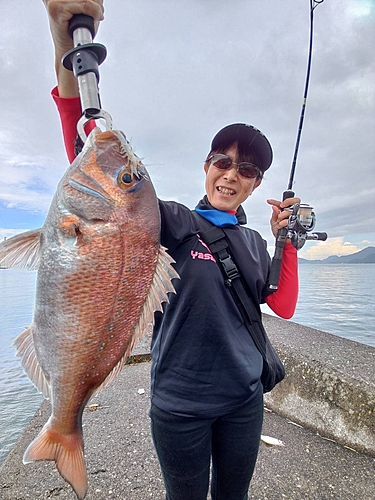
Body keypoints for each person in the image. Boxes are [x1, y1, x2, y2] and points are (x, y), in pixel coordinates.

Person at [42, 2, 300, 499]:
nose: (231, 174)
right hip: (179, 403)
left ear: (256, 185)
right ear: (207, 166)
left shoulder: (251, 241)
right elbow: (93, 165)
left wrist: (285, 240)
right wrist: (64, 46)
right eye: (222, 161)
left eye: (246, 171)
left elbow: (282, 305)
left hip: (244, 400)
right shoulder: (173, 221)